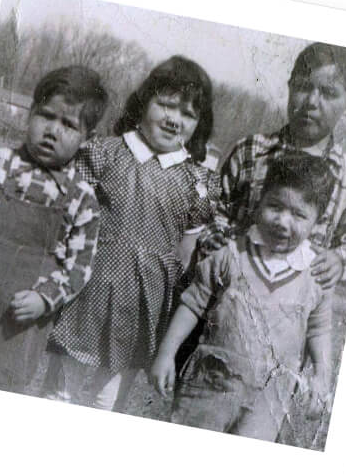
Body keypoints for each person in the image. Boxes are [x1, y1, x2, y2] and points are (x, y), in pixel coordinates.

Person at [46, 56, 220, 410]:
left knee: (107, 402)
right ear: (143, 104)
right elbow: (67, 219)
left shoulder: (199, 183)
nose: (174, 119)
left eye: (188, 114)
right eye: (166, 105)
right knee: (58, 393)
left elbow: (185, 256)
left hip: (142, 307)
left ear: (199, 124)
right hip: (86, 295)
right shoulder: (104, 154)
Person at [0, 66, 108, 393]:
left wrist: (45, 299)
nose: (52, 131)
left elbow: (79, 268)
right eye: (46, 116)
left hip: (21, 319)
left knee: (1, 387)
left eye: (68, 125)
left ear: (87, 139)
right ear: (30, 113)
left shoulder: (82, 198)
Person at [150, 152, 336, 445]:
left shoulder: (316, 274)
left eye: (299, 215)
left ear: (317, 220)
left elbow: (320, 330)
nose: (283, 222)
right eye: (275, 206)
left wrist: (321, 379)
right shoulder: (231, 253)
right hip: (210, 385)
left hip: (269, 400)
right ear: (260, 200)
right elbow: (192, 304)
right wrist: (166, 354)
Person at [200, 42, 346, 290]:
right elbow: (213, 214)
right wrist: (219, 243)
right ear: (290, 88)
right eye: (303, 87)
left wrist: (340, 261)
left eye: (328, 92)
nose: (312, 101)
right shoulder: (249, 152)